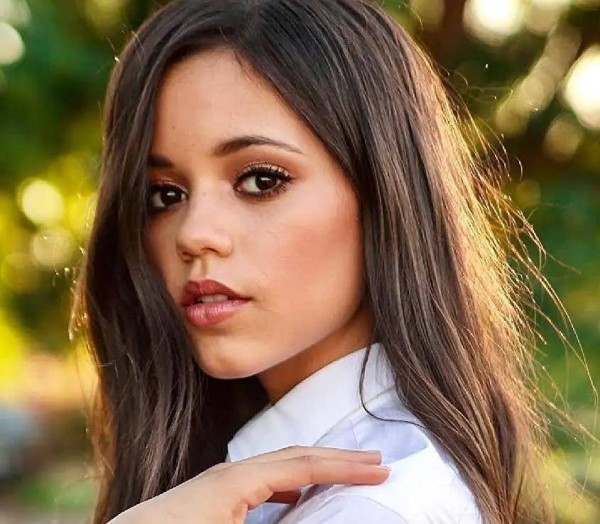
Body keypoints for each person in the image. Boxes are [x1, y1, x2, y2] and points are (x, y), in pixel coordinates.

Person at [73, 0, 560, 522]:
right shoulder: (252, 484)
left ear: (383, 195)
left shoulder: (369, 507)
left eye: (261, 180)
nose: (193, 234)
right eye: (164, 195)